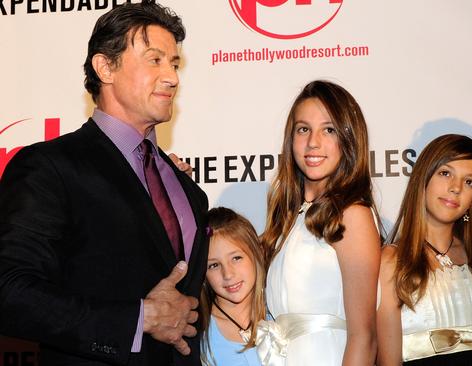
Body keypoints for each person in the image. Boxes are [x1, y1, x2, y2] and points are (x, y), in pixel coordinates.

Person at [0, 1, 208, 365]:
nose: (172, 77)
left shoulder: (188, 191)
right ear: (105, 67)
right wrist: (137, 318)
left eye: (174, 64)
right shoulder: (51, 167)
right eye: (154, 60)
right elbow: (10, 291)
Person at [257, 80, 381, 366]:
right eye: (303, 129)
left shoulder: (352, 215)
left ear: (349, 139)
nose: (313, 142)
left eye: (329, 129)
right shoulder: (288, 217)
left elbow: (364, 336)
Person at [376, 134, 472, 366]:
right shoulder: (391, 261)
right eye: (445, 173)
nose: (455, 188)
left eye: (469, 182)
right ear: (423, 179)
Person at [199, 207, 265, 366]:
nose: (228, 274)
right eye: (214, 265)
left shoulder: (279, 313)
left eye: (236, 258)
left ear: (257, 253)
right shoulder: (199, 332)